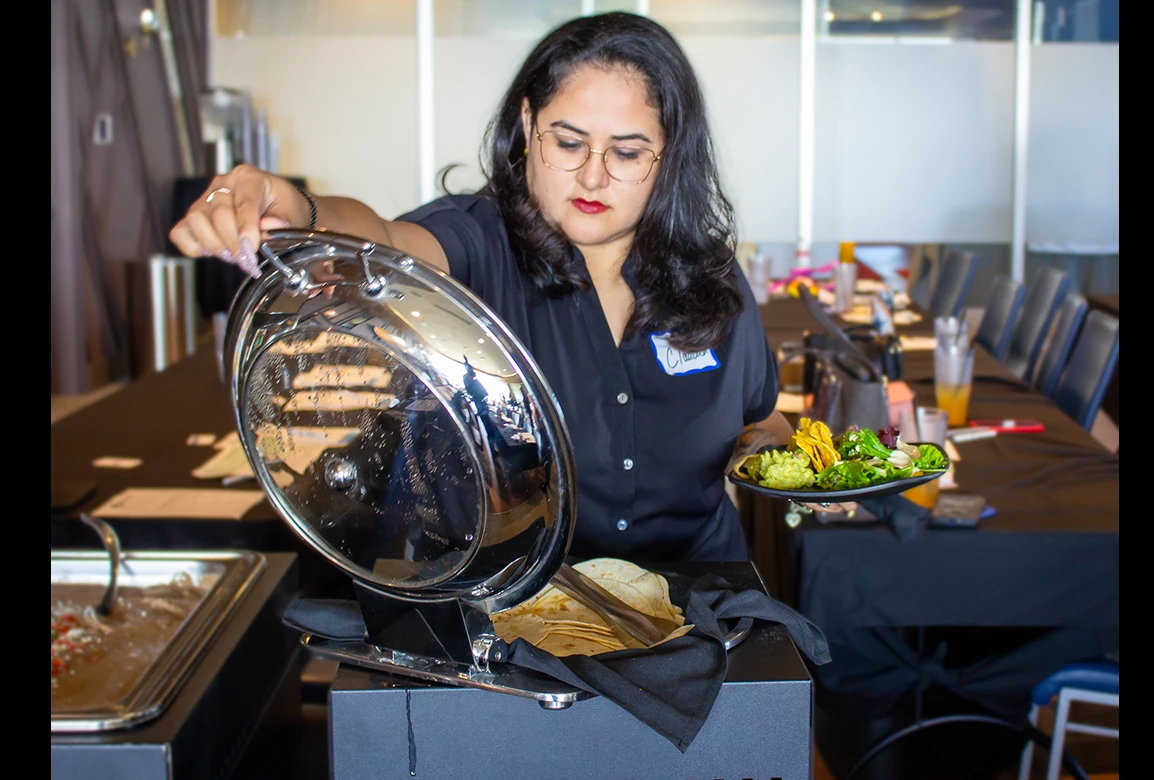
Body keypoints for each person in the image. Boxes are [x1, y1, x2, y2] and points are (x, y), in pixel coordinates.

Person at [168, 12, 801, 562]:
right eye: (569, 143)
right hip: (516, 617)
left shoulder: (710, 275)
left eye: (628, 153)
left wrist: (795, 467)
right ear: (527, 123)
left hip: (699, 603)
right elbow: (384, 239)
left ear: (670, 153)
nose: (593, 176)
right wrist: (300, 209)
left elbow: (759, 420)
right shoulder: (479, 241)